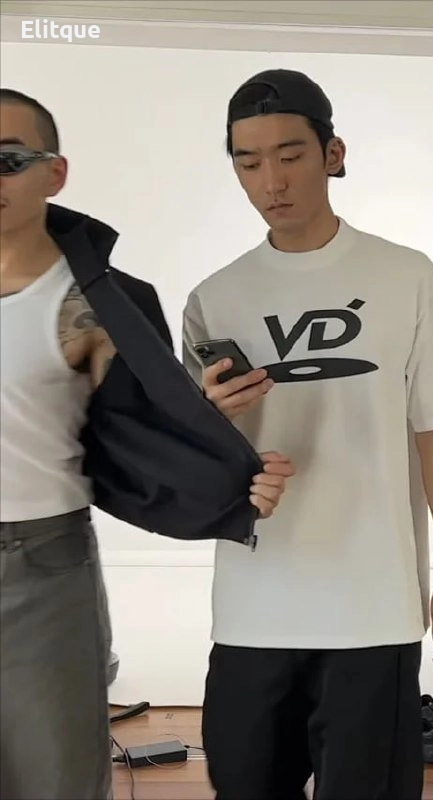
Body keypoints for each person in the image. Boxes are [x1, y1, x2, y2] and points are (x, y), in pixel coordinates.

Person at [182, 69, 433, 800]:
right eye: (248, 163)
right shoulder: (214, 298)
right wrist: (209, 419)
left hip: (373, 603)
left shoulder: (406, 277)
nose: (271, 181)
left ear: (333, 153)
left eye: (290, 155)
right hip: (255, 601)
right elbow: (194, 461)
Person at [0, 88, 294, 800]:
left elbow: (141, 431)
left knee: (57, 778)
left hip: (41, 567)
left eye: (6, 161)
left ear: (54, 172)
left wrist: (222, 454)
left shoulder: (101, 304)